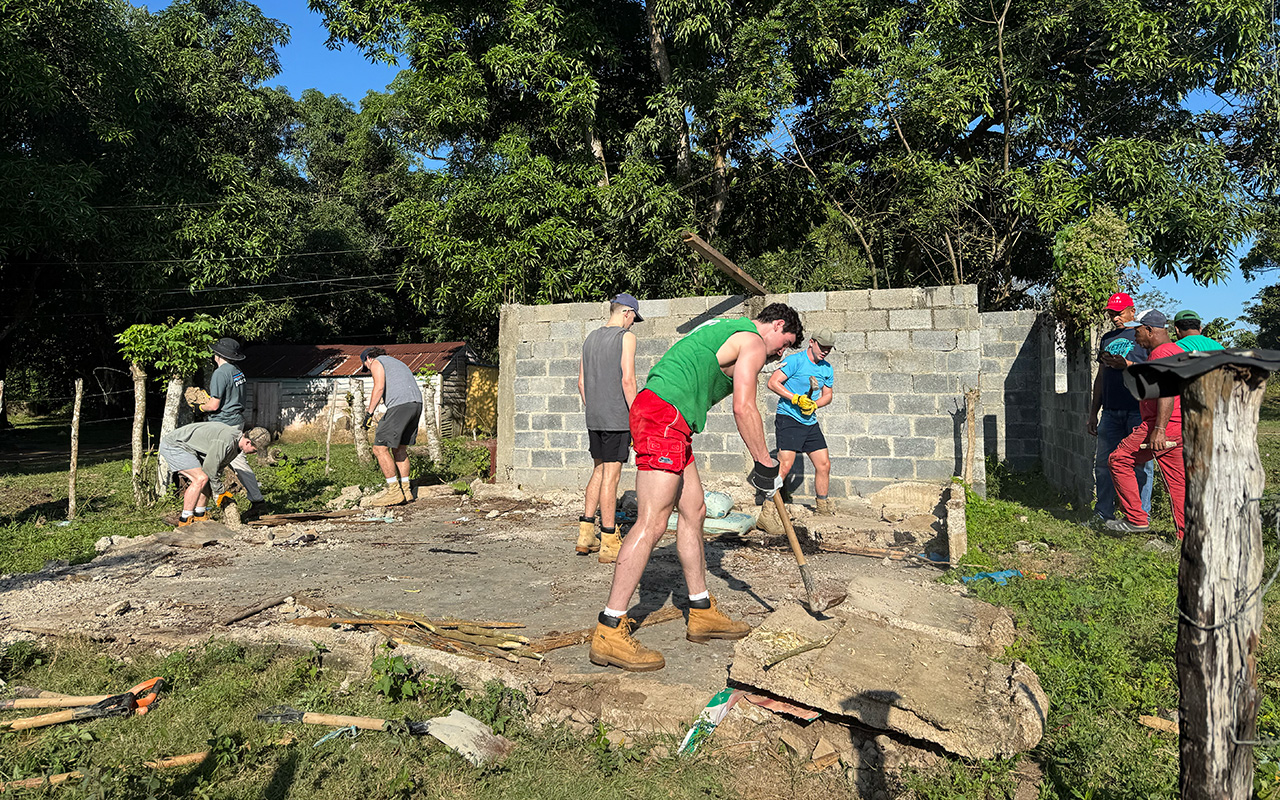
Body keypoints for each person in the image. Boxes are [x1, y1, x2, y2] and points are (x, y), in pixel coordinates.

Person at [588, 303, 803, 672]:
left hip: (670, 417)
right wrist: (765, 463)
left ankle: (701, 611)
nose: (780, 355)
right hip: (663, 416)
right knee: (653, 522)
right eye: (785, 343)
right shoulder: (751, 340)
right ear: (778, 325)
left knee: (695, 510)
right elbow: (744, 408)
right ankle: (609, 629)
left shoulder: (728, 328)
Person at [1107, 310, 1186, 538]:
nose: (1135, 335)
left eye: (1138, 330)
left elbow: (1167, 393)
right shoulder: (1176, 351)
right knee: (1177, 483)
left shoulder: (1160, 354)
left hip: (1161, 425)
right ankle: (1186, 535)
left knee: (1119, 459)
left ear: (1150, 330)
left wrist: (1159, 430)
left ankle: (1136, 519)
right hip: (1180, 425)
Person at [576, 293, 640, 562]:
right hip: (617, 418)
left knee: (599, 471)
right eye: (634, 318)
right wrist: (636, 417)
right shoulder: (626, 338)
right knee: (611, 478)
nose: (633, 324)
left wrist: (594, 408)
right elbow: (628, 380)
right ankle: (609, 540)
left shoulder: (590, 338)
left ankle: (585, 534)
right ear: (626, 313)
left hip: (595, 417)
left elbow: (581, 382)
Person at [759, 329, 836, 533]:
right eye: (823, 347)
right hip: (789, 418)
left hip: (809, 421)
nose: (825, 351)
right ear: (812, 342)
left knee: (824, 464)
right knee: (785, 466)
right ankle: (767, 512)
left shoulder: (827, 369)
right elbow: (773, 382)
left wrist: (814, 405)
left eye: (829, 348)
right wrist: (795, 398)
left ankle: (823, 507)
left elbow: (827, 395)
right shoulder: (795, 361)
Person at [1086, 292, 1153, 526]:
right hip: (1111, 412)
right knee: (1103, 464)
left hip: (1139, 410)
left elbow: (1155, 371)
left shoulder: (1144, 335)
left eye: (1119, 312)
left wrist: (1127, 365)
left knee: (1139, 466)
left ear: (1132, 311)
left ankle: (1139, 516)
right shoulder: (1106, 338)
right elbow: (1101, 376)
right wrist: (1093, 412)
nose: (1115, 318)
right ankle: (1103, 512)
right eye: (1112, 313)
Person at [194, 338, 267, 515]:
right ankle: (256, 500)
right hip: (236, 419)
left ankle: (199, 510)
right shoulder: (237, 371)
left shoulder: (220, 373)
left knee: (212, 464)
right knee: (234, 461)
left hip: (223, 423)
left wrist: (198, 407)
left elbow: (214, 405)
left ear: (218, 355)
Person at [159, 422, 270, 526]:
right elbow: (209, 468)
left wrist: (217, 487)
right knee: (200, 478)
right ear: (248, 442)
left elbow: (215, 470)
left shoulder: (237, 445)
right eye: (255, 450)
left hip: (189, 448)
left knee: (206, 479)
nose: (254, 453)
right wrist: (220, 491)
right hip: (175, 445)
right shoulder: (226, 441)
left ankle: (200, 515)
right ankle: (185, 520)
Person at [361, 347, 425, 506]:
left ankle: (394, 492)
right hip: (416, 404)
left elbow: (379, 387)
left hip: (400, 405)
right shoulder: (398, 363)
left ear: (368, 358)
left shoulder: (376, 362)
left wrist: (369, 413)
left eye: (366, 367)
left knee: (379, 448)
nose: (369, 370)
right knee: (400, 448)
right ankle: (406, 490)